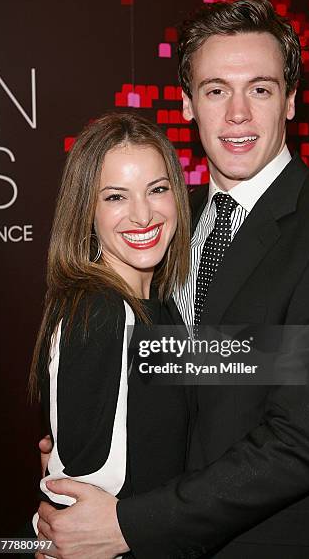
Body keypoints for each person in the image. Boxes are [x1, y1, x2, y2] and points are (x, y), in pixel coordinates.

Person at [37, 0, 309, 558]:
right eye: (216, 89)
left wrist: (131, 524)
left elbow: (299, 443)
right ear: (188, 104)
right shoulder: (165, 221)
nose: (237, 113)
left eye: (261, 89)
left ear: (291, 101)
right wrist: (88, 437)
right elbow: (175, 363)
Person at [30, 112, 191, 552]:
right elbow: (72, 507)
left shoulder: (159, 308)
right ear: (87, 210)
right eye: (116, 197)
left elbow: (227, 361)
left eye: (157, 190)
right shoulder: (99, 310)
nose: (143, 215)